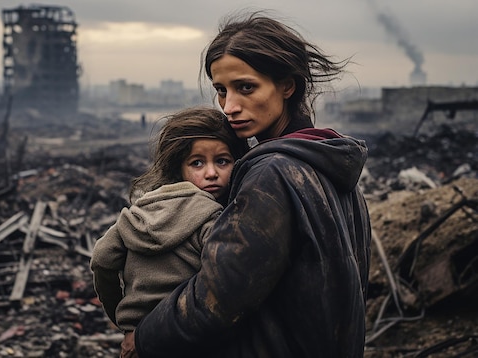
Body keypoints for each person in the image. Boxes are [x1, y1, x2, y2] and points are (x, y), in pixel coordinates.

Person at [124, 10, 372, 358]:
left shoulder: (273, 172)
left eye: (246, 87)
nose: (229, 106)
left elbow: (218, 297)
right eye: (221, 91)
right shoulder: (332, 163)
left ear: (287, 85)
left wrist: (145, 337)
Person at [89, 107, 247, 337]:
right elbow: (225, 283)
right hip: (188, 334)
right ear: (178, 169)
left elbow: (101, 259)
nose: (211, 173)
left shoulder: (138, 211)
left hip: (139, 335)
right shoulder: (213, 219)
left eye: (222, 161)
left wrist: (122, 318)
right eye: (197, 163)